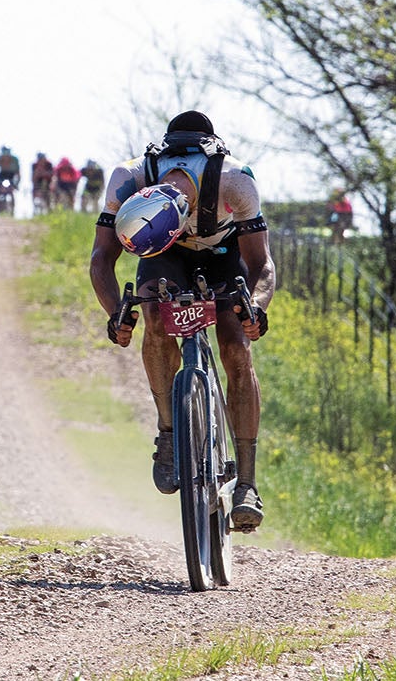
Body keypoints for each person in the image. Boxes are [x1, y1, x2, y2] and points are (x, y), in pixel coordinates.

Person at [88, 110, 274, 531]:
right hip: (162, 253)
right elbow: (102, 258)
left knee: (235, 350)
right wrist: (117, 310)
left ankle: (246, 482)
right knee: (155, 317)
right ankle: (169, 432)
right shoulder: (128, 180)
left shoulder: (234, 180)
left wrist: (257, 306)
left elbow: (261, 262)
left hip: (225, 253)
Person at [0, 146, 21, 215]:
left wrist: (17, 184)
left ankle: (12, 211)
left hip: (11, 176)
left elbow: (18, 173)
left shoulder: (15, 159)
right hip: (2, 175)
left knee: (11, 191)